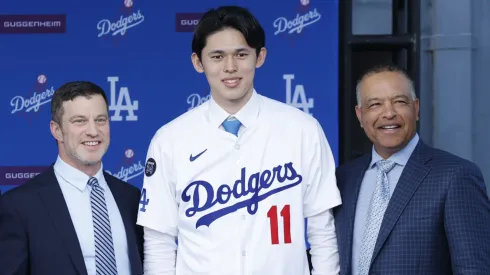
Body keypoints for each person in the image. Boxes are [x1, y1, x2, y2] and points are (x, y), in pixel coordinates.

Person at [136, 5, 342, 275]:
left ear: (260, 57)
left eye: (241, 54)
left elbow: (322, 229)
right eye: (217, 56)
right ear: (198, 62)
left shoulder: (303, 129)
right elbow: (159, 241)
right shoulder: (170, 139)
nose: (230, 68)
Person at [333, 64, 490, 275]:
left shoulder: (456, 176)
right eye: (375, 105)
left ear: (415, 108)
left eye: (399, 102)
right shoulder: (343, 178)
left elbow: (474, 268)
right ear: (360, 115)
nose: (388, 113)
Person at [0, 81, 144, 275]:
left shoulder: (131, 197)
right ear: (56, 130)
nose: (93, 131)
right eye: (79, 121)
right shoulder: (19, 205)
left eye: (101, 120)